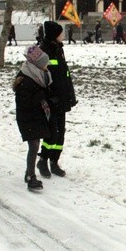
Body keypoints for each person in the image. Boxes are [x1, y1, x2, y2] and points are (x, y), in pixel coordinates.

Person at [37, 21, 77, 178]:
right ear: (54, 34)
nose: (63, 35)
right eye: (61, 32)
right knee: (52, 132)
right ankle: (43, 159)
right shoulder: (43, 51)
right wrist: (49, 97)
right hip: (50, 101)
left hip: (62, 99)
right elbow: (41, 78)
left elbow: (65, 76)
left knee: (61, 132)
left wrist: (70, 97)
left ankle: (54, 161)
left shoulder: (59, 50)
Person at [14, 46, 52, 191]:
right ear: (37, 64)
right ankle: (30, 176)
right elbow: (24, 103)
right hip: (27, 117)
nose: (47, 65)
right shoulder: (26, 79)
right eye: (45, 62)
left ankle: (29, 174)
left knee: (35, 144)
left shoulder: (40, 75)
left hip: (36, 115)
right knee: (34, 145)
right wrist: (42, 95)